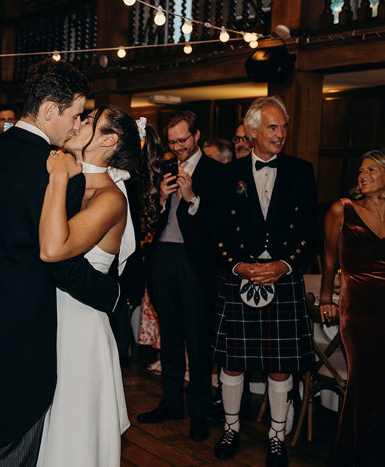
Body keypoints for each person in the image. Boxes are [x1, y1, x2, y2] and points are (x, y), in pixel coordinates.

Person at [0, 59, 120, 466]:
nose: (77, 127)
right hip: (21, 331)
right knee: (15, 441)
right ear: (50, 110)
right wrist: (112, 294)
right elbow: (58, 260)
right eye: (75, 115)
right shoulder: (60, 174)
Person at [36, 106, 158, 466]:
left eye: (88, 121)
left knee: (71, 432)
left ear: (108, 140)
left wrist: (57, 179)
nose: (78, 123)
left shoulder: (110, 199)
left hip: (79, 326)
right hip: (49, 315)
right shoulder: (73, 179)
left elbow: (54, 249)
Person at [212, 96, 318, 467]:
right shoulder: (228, 175)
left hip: (282, 278)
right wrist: (237, 266)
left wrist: (286, 264)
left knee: (279, 364)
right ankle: (231, 428)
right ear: (253, 131)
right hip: (240, 276)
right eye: (273, 127)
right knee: (233, 363)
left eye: (284, 127)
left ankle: (276, 437)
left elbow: (310, 231)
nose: (281, 134)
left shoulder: (301, 171)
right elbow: (217, 232)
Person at [137, 111, 222, 444]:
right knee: (169, 334)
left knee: (197, 339)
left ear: (197, 135)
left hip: (194, 260)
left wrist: (192, 200)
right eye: (172, 142)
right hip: (163, 256)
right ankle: (171, 402)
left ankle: (199, 412)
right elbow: (151, 220)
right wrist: (161, 199)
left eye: (182, 140)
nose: (177, 147)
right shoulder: (166, 168)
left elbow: (218, 226)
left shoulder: (215, 172)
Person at [320, 149, 385, 466]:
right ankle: (349, 455)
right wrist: (325, 298)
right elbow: (330, 260)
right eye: (361, 171)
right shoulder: (342, 209)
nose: (363, 176)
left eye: (372, 170)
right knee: (360, 382)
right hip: (357, 309)